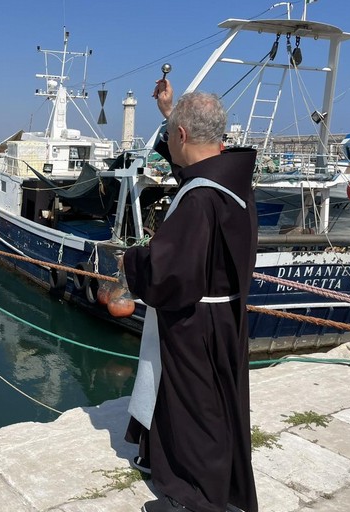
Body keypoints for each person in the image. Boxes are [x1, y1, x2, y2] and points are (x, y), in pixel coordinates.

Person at [120, 78, 259, 512]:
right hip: (223, 314)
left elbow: (167, 274)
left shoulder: (200, 199)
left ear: (182, 135)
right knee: (210, 404)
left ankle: (196, 500)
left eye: (171, 134)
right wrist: (169, 113)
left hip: (195, 322)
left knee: (197, 411)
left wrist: (131, 260)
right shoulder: (230, 178)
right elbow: (191, 167)